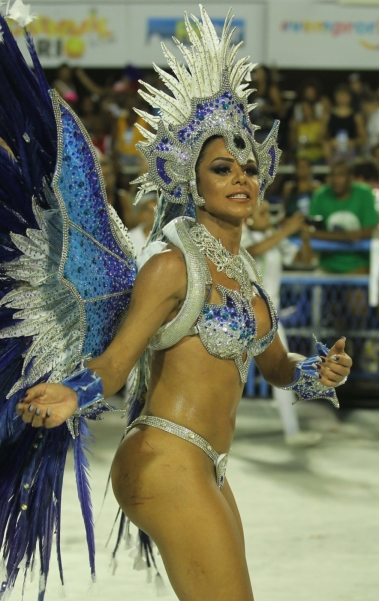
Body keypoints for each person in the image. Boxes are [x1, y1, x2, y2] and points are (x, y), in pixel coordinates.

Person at [0, 7, 352, 601]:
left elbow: (277, 367)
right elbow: (116, 362)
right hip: (165, 457)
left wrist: (319, 371)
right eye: (221, 168)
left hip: (207, 465)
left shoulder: (248, 282)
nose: (239, 176)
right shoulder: (172, 266)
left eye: (247, 168)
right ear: (194, 182)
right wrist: (72, 394)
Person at [242, 203, 320, 446]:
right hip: (243, 317)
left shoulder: (274, 237)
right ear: (250, 218)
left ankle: (292, 431)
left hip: (270, 319)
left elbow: (305, 260)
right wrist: (287, 230)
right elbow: (253, 250)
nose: (269, 217)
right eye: (262, 213)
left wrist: (304, 237)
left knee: (284, 371)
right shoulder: (242, 234)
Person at [309, 160, 378, 274]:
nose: (336, 180)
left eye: (340, 175)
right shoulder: (321, 195)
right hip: (327, 265)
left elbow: (368, 231)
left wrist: (324, 235)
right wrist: (348, 236)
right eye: (333, 175)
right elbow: (311, 231)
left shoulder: (365, 193)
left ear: (350, 177)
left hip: (358, 265)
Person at [323, 84, 366, 161]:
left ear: (350, 97)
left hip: (350, 149)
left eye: (345, 96)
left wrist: (352, 142)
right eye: (341, 96)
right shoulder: (328, 116)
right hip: (334, 149)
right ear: (336, 97)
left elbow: (363, 138)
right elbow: (321, 136)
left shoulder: (356, 117)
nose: (343, 99)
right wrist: (330, 142)